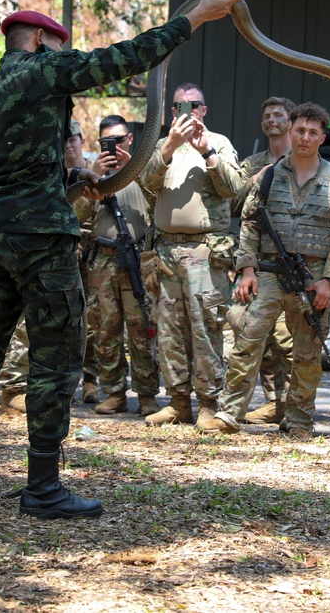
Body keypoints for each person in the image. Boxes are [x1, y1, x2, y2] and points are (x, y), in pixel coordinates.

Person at [0, 0, 243, 520]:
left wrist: (72, 175)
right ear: (42, 39)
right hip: (42, 240)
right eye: (58, 45)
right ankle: (43, 487)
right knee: (55, 360)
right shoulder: (43, 70)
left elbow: (15, 164)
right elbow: (124, 58)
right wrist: (193, 21)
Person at [201, 102, 330, 438]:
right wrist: (248, 269)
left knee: (307, 352)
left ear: (321, 137)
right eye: (300, 130)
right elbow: (250, 225)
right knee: (247, 342)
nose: (304, 137)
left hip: (312, 278)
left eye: (313, 132)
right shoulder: (270, 175)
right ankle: (229, 414)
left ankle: (298, 419)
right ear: (290, 130)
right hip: (268, 274)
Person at [139, 82, 246, 429]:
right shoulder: (162, 146)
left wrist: (207, 152)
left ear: (204, 109)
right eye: (179, 107)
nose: (187, 111)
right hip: (167, 251)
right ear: (172, 113)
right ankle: (178, 402)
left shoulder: (220, 143)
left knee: (205, 328)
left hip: (205, 251)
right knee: (169, 330)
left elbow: (235, 189)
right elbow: (144, 183)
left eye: (194, 105)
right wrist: (170, 145)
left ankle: (208, 403)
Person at [76, 115, 160, 417]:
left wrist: (132, 170)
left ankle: (147, 393)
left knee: (142, 328)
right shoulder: (91, 175)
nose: (115, 146)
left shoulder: (144, 170)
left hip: (136, 258)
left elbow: (158, 202)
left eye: (120, 140)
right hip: (102, 260)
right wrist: (91, 178)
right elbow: (77, 215)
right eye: (107, 142)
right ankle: (114, 392)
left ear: (130, 140)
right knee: (105, 328)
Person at [235, 96, 296, 424]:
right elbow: (235, 203)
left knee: (288, 338)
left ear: (290, 121)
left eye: (279, 115)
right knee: (256, 332)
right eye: (267, 115)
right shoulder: (251, 163)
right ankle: (270, 401)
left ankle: (289, 404)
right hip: (256, 257)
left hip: (289, 257)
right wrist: (256, 178)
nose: (272, 119)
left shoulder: (299, 159)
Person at [64, 117, 101, 405]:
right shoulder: (53, 172)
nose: (68, 143)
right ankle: (66, 381)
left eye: (73, 137)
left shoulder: (95, 168)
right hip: (63, 253)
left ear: (82, 141)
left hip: (94, 254)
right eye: (64, 138)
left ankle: (90, 380)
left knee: (93, 320)